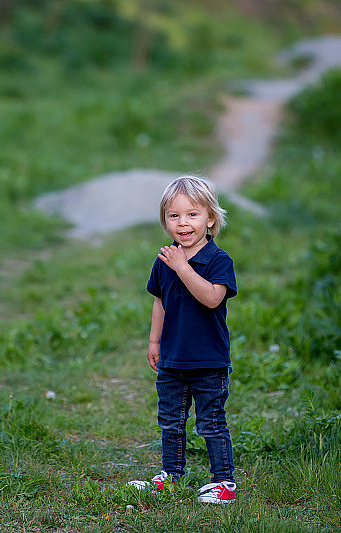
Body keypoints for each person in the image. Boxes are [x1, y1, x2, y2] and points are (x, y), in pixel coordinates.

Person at [128, 175, 238, 504]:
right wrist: (154, 342)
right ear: (165, 221)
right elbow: (159, 301)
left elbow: (212, 298)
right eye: (174, 216)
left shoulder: (218, 260)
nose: (183, 223)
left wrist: (183, 268)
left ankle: (223, 483)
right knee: (171, 422)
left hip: (208, 360)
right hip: (173, 358)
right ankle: (171, 475)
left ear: (210, 219)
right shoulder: (165, 260)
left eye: (192, 214)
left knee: (211, 422)